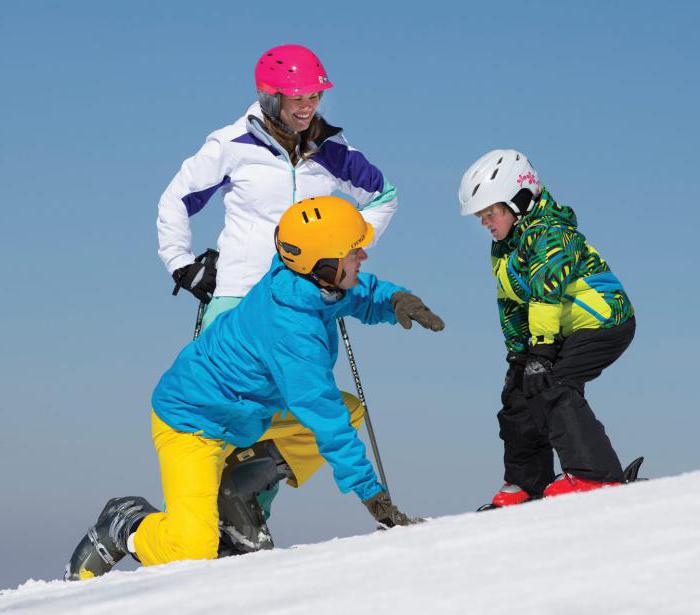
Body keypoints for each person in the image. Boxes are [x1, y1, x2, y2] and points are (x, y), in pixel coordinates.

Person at [66, 196, 444, 580]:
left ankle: (236, 491)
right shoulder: (293, 332)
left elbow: (354, 292)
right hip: (193, 424)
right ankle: (126, 526)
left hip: (249, 414)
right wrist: (374, 499)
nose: (362, 256)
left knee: (350, 410)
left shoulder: (306, 281)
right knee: (193, 549)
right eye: (352, 252)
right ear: (323, 264)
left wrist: (393, 300)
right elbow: (324, 417)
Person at [157, 44, 400, 543]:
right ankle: (195, 527)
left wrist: (346, 248)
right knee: (226, 411)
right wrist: (181, 264)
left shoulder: (334, 150)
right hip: (237, 297)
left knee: (303, 408)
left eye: (314, 93)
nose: (308, 104)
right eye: (296, 96)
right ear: (269, 96)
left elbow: (384, 195)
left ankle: (243, 515)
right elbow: (176, 199)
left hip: (301, 296)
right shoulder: (231, 144)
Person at [458, 149, 635, 507]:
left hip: (604, 321)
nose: (484, 223)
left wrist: (540, 350)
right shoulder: (504, 249)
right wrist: (520, 352)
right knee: (519, 391)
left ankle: (595, 474)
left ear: (518, 201)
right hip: (558, 329)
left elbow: (546, 290)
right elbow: (510, 301)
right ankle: (527, 481)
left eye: (489, 213)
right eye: (481, 216)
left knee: (553, 383)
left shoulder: (551, 232)